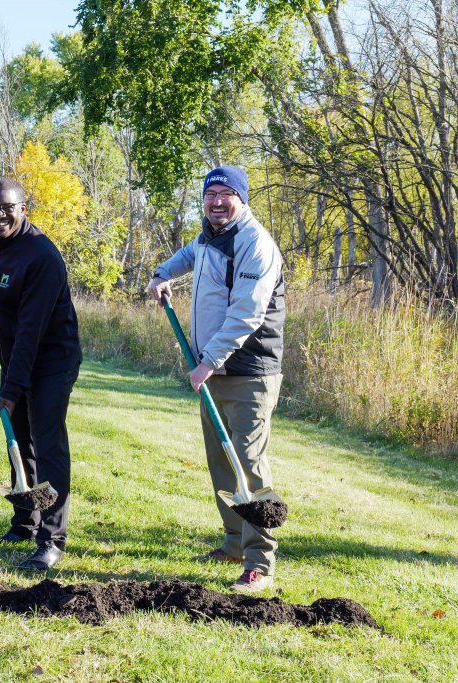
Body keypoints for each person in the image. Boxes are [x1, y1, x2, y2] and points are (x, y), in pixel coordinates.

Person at [147, 165, 285, 593]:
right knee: (220, 462)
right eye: (211, 194)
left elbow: (247, 312)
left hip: (249, 370)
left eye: (227, 194)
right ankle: (232, 542)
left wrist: (207, 361)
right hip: (214, 368)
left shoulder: (254, 243)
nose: (218, 201)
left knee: (248, 465)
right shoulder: (210, 234)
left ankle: (258, 561)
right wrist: (162, 273)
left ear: (242, 199)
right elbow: (191, 254)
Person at [0, 177, 82, 571]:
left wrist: (12, 389)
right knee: (18, 436)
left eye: (7, 208)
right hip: (14, 354)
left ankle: (52, 539)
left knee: (47, 443)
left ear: (23, 210)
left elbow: (31, 333)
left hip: (52, 359)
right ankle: (24, 523)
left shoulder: (42, 257)